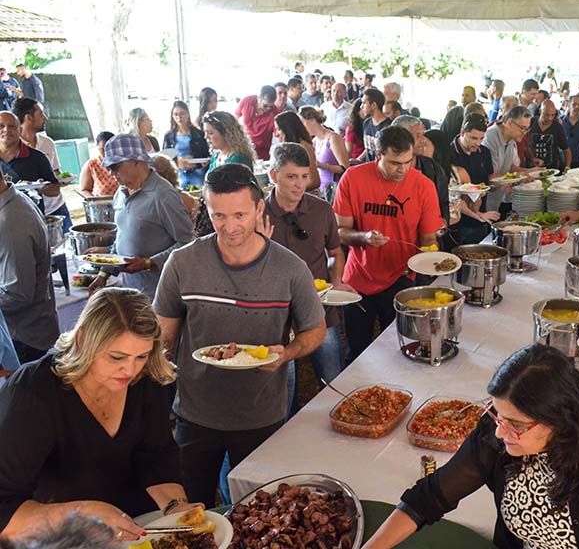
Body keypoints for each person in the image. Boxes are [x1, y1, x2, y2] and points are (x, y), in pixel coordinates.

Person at [364, 344, 579, 549]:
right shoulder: (499, 429)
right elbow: (429, 498)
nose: (501, 433)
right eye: (497, 414)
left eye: (516, 424)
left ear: (560, 418)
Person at [154, 164, 326, 508]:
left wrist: (288, 353)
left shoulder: (290, 268)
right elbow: (164, 338)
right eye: (219, 215)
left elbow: (315, 329)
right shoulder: (182, 263)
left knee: (259, 511)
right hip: (194, 413)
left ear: (260, 209)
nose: (230, 227)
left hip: (261, 415)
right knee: (190, 508)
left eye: (239, 215)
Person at [0, 288, 199, 542]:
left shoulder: (145, 376)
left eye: (141, 356)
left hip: (137, 530)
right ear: (83, 340)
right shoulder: (31, 393)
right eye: (117, 357)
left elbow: (157, 457)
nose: (130, 370)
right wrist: (82, 512)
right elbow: (4, 507)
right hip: (60, 538)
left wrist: (175, 508)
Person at [333, 126, 441, 363]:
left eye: (408, 161)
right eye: (394, 163)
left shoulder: (424, 186)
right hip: (358, 277)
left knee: (400, 348)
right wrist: (364, 238)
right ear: (378, 154)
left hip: (400, 277)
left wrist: (430, 259)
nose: (402, 169)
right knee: (357, 349)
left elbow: (428, 240)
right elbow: (340, 232)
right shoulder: (353, 178)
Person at [265, 143, 351, 409]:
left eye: (304, 176)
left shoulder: (321, 210)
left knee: (333, 379)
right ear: (273, 175)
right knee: (283, 393)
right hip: (275, 316)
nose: (299, 185)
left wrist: (336, 281)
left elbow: (335, 251)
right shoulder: (256, 215)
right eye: (291, 177)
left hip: (319, 309)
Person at [85, 134, 194, 300]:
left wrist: (148, 263)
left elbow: (188, 243)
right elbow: (120, 240)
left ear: (136, 161)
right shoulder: (120, 193)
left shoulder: (163, 195)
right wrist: (103, 274)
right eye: (109, 167)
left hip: (161, 294)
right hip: (131, 291)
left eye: (115, 166)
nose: (110, 172)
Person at [0, 172, 59, 365]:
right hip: (29, 332)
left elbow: (17, 295)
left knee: (23, 393)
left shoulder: (10, 222)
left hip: (25, 338)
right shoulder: (13, 200)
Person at [11, 98, 71, 233]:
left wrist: (61, 180)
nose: (46, 118)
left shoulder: (47, 143)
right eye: (41, 114)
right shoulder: (11, 148)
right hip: (29, 211)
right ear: (28, 118)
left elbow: (56, 172)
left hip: (57, 207)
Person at [450, 113, 500, 243]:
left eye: (481, 138)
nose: (478, 143)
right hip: (458, 221)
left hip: (481, 215)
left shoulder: (484, 152)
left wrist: (500, 184)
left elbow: (489, 181)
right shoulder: (449, 153)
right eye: (473, 138)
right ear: (462, 132)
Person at [483, 105, 533, 218]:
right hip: (485, 204)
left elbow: (510, 166)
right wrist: (517, 177)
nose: (524, 132)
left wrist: (530, 171)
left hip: (499, 200)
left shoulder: (511, 140)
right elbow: (492, 177)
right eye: (522, 128)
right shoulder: (490, 137)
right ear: (510, 123)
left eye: (527, 129)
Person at [299, 106, 348, 201]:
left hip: (335, 189)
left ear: (312, 120)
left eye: (302, 123)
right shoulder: (315, 141)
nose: (301, 128)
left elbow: (344, 168)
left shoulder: (333, 138)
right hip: (321, 190)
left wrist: (322, 165)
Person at [163, 100, 210, 189]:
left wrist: (198, 163)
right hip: (178, 175)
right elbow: (164, 159)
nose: (179, 117)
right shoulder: (169, 136)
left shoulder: (199, 134)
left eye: (182, 114)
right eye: (176, 114)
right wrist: (177, 163)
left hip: (198, 174)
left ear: (188, 114)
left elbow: (206, 155)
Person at [274, 110, 320, 191]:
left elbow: (315, 181)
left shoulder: (304, 147)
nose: (276, 134)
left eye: (279, 129)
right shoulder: (287, 148)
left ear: (288, 130)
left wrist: (288, 190)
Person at [235, 85, 279, 160]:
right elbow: (235, 118)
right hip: (243, 147)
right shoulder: (247, 101)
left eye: (270, 106)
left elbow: (278, 134)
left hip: (262, 153)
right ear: (258, 98)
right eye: (265, 106)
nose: (268, 109)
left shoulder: (275, 112)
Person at [528, 99, 570, 171]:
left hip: (552, 169)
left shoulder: (557, 127)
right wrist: (532, 158)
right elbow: (525, 145)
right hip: (531, 168)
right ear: (540, 111)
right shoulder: (530, 123)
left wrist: (567, 168)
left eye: (553, 115)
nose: (550, 118)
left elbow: (566, 149)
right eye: (546, 114)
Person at [79, 131, 118, 197]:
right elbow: (84, 190)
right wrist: (95, 201)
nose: (106, 153)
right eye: (103, 150)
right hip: (101, 205)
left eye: (110, 149)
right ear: (97, 147)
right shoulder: (92, 165)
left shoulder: (124, 162)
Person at [357, 88, 390, 162]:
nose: (361, 106)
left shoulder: (388, 127)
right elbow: (369, 148)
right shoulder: (366, 123)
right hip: (369, 167)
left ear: (374, 105)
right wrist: (358, 159)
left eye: (364, 103)